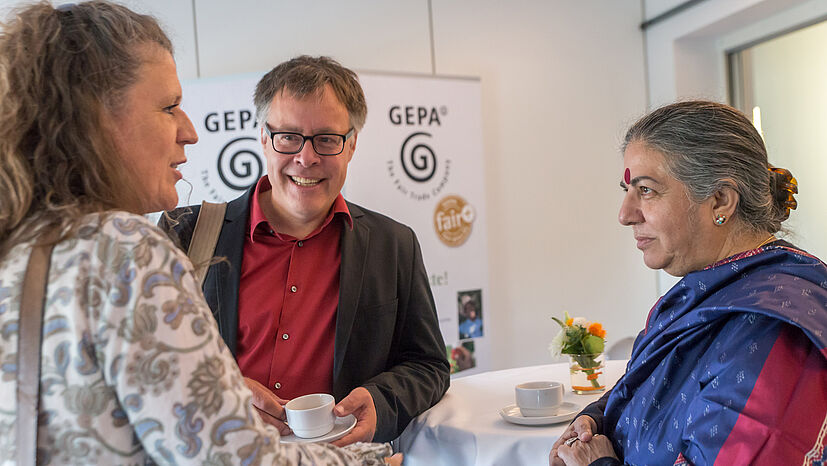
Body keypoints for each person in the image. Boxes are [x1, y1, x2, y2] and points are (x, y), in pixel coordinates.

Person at [0, 2, 400, 464]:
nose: (189, 132)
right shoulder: (128, 250)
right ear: (96, 119)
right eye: (169, 107)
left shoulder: (22, 248)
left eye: (326, 139)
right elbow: (231, 458)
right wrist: (370, 461)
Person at [161, 55, 450, 445]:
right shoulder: (186, 234)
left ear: (351, 146)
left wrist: (381, 401)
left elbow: (428, 365)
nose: (306, 157)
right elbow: (147, 363)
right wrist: (221, 389)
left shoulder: (393, 244)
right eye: (289, 137)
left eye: (327, 139)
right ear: (264, 138)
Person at [549, 101, 827, 466]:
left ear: (720, 200)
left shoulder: (771, 328)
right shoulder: (707, 289)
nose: (624, 214)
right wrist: (598, 418)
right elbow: (658, 387)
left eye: (646, 190)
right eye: (627, 189)